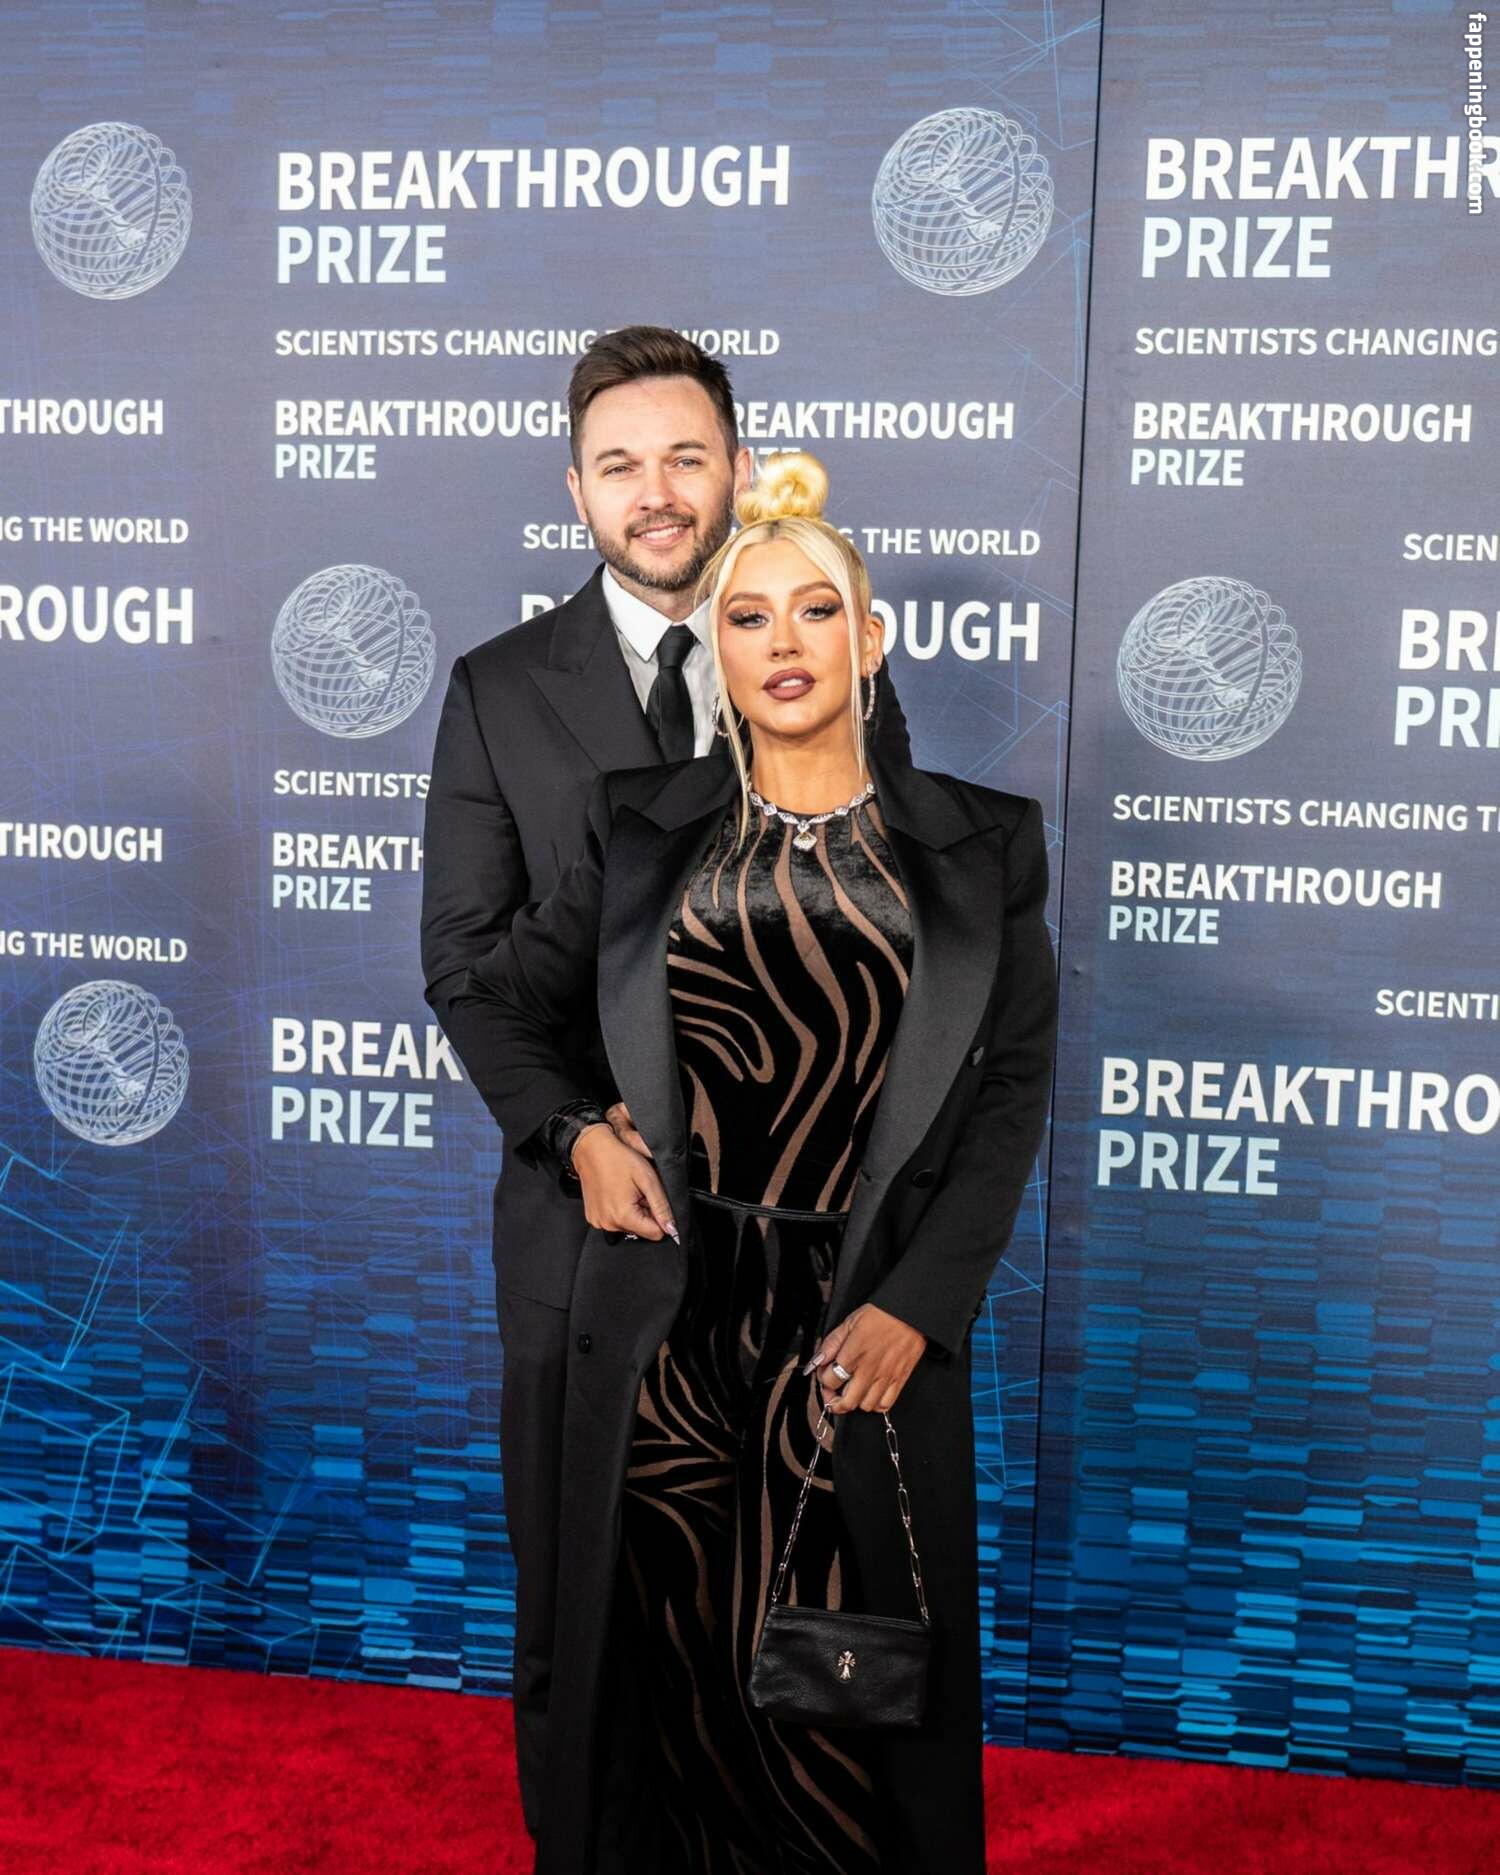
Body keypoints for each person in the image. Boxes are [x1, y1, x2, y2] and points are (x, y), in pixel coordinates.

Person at [446, 450, 1059, 1874]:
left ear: (871, 638)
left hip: (858, 1335)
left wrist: (921, 1306)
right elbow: (492, 998)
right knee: (668, 1674)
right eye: (748, 616)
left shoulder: (983, 846)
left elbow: (1009, 1093)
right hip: (671, 1321)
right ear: (714, 655)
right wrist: (573, 1134)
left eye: (816, 610)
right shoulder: (639, 826)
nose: (785, 641)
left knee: (844, 1694)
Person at [419, 330, 910, 1838]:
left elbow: (893, 940)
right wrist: (575, 1133)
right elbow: (468, 974)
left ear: (737, 470)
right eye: (620, 464)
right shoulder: (500, 690)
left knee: (779, 1605)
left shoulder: (823, 649)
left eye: (687, 456)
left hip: (797, 1240)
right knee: (586, 1614)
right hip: (592, 1227)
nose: (657, 492)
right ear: (575, 490)